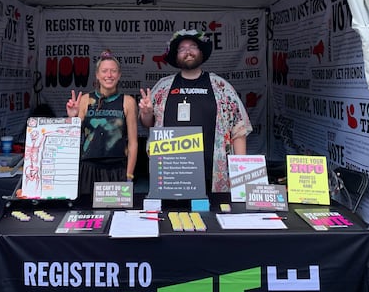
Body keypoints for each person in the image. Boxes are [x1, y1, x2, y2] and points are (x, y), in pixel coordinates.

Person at [139, 29, 252, 192]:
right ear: (176, 55)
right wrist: (146, 112)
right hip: (172, 175)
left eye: (193, 46)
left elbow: (239, 130)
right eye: (182, 49)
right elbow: (148, 124)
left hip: (212, 175)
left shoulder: (220, 87)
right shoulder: (163, 87)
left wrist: (241, 177)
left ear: (201, 52)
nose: (188, 52)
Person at [66, 50, 138, 194]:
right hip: (88, 169)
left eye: (113, 71)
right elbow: (70, 137)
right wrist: (72, 118)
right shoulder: (85, 100)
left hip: (117, 170)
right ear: (97, 75)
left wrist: (129, 175)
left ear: (119, 75)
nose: (109, 75)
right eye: (104, 71)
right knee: (86, 213)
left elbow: (133, 142)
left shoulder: (128, 102)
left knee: (117, 213)